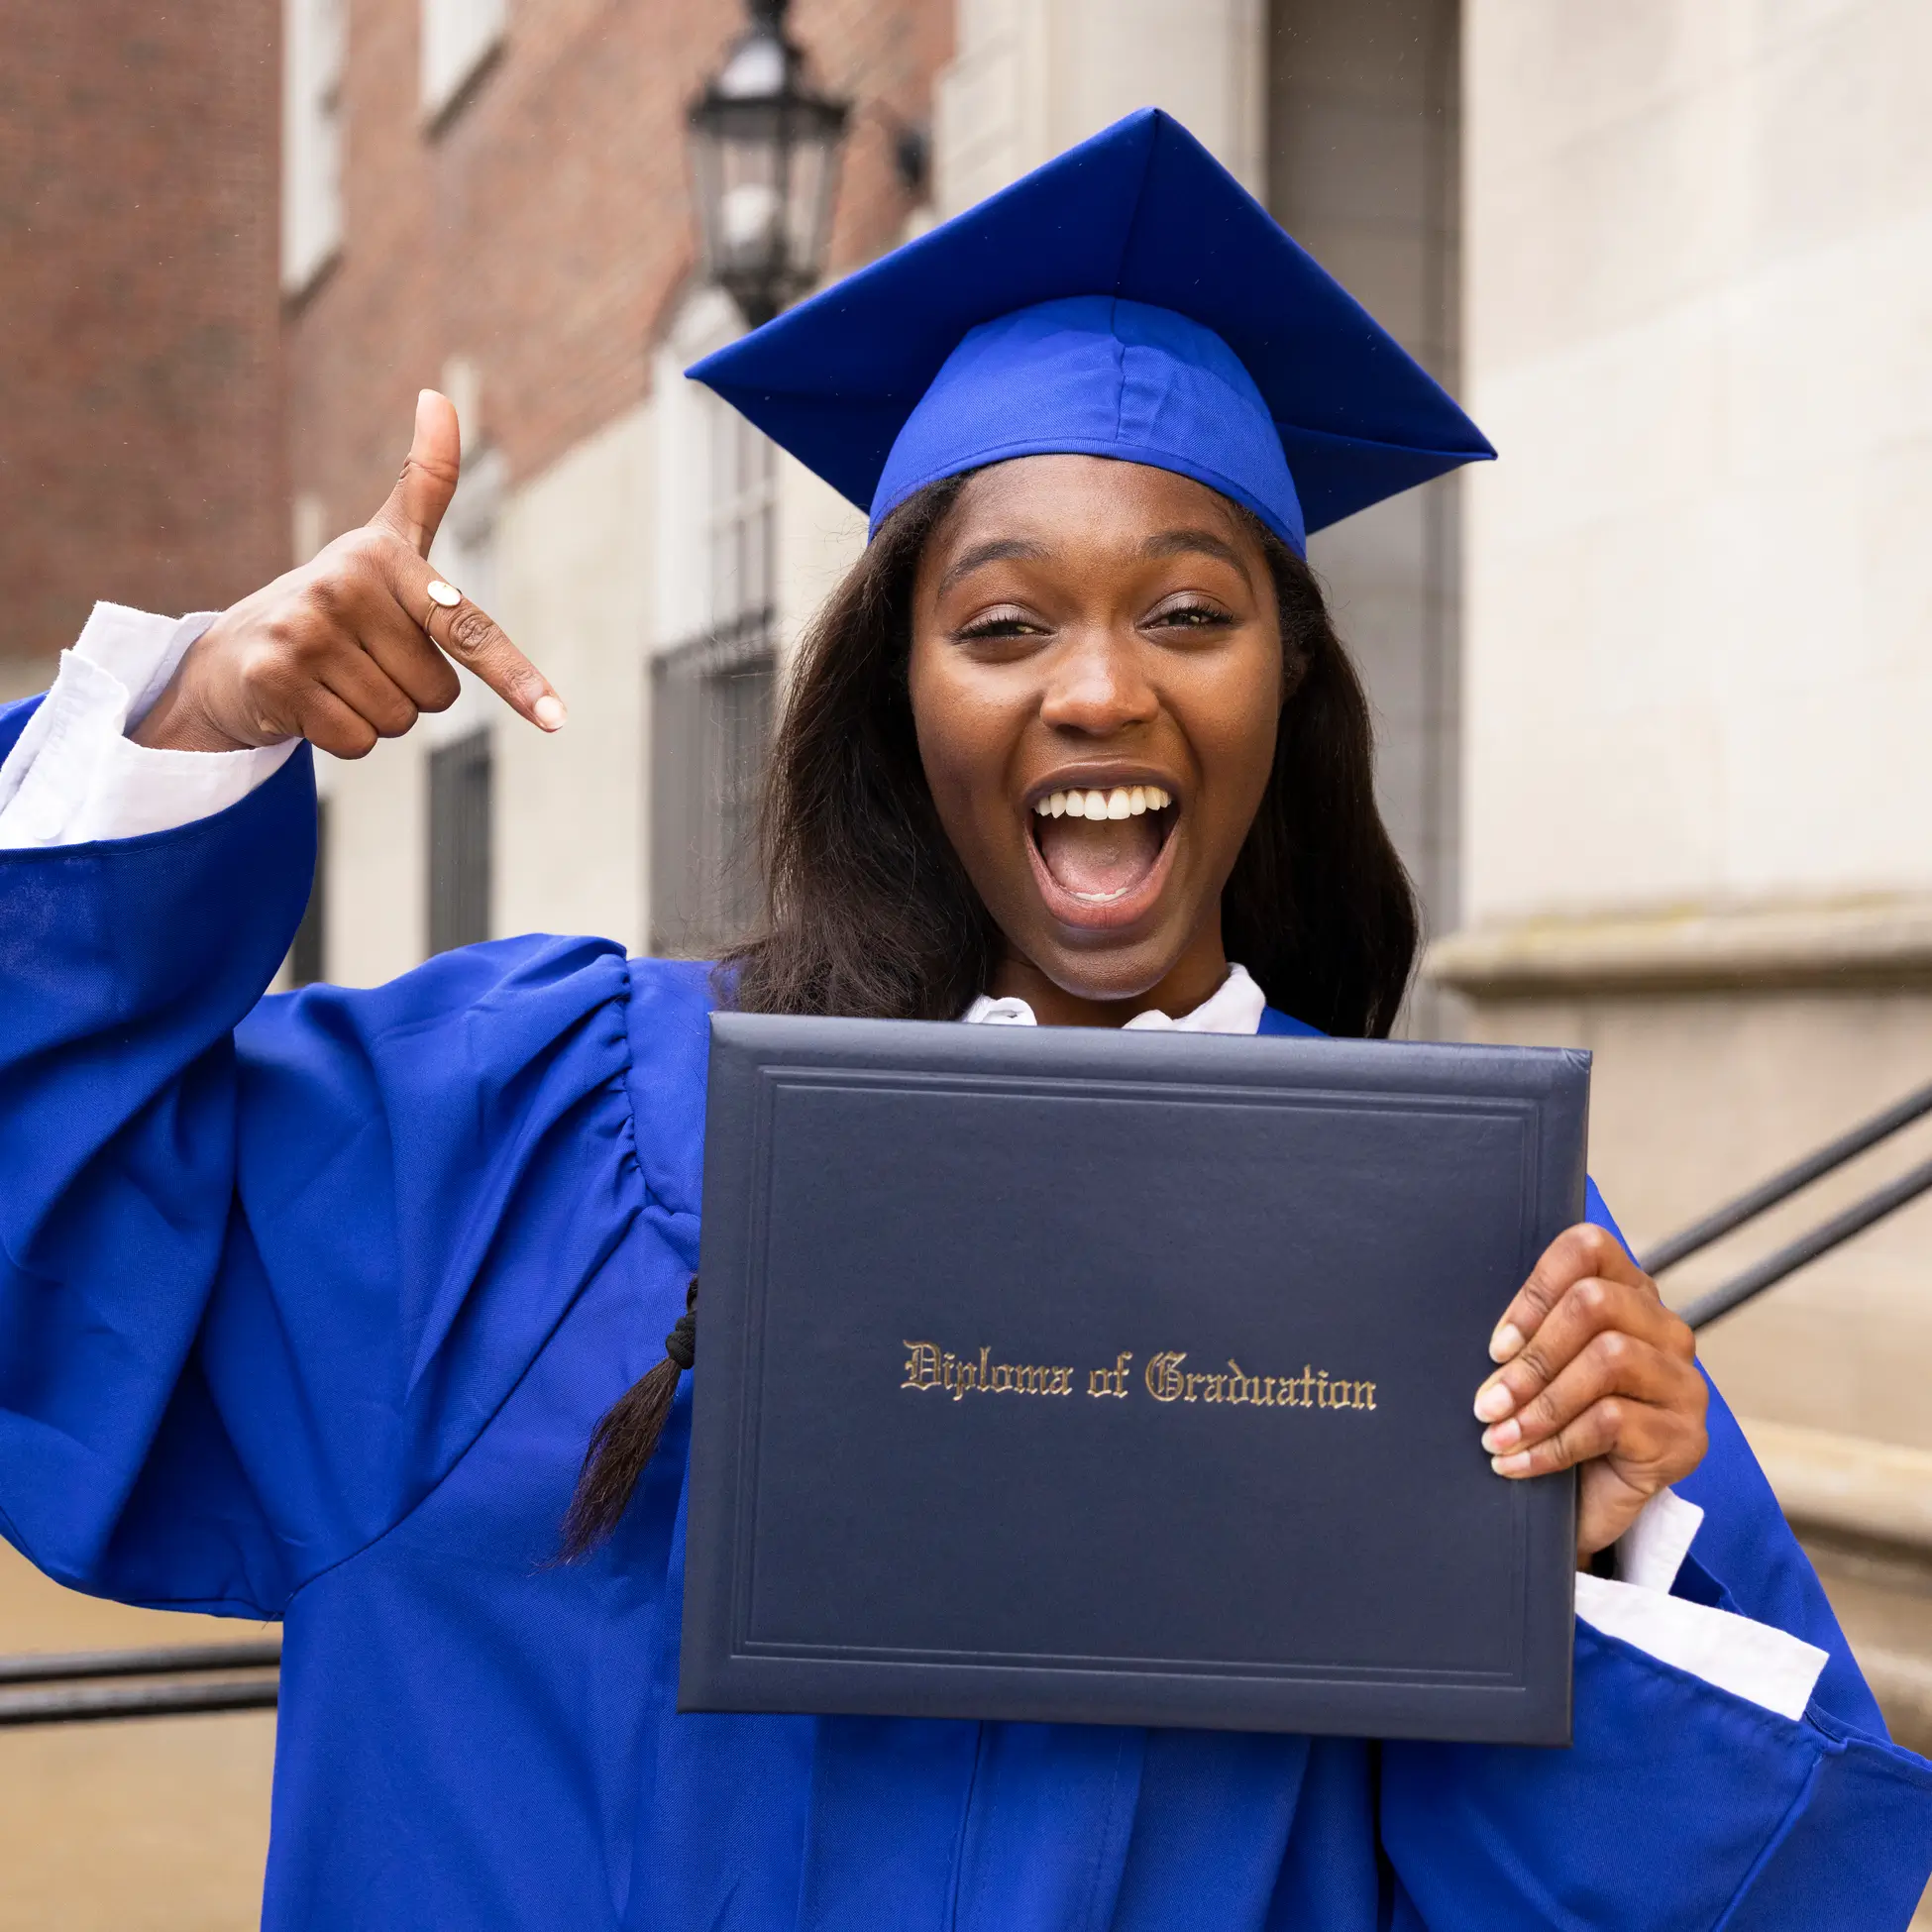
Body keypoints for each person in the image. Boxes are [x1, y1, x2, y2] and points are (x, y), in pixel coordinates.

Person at [0, 108, 1926, 1930]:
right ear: (896, 697)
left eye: (1189, 612)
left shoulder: (1461, 1260)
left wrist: (1597, 1553)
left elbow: (1734, 1884)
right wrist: (197, 719)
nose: (1096, 689)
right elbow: (66, 1236)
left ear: (1290, 682)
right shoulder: (545, 1125)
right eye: (1002, 625)